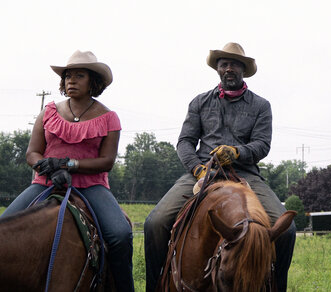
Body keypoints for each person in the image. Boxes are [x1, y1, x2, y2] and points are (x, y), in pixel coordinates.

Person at [143, 42, 296, 292]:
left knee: (286, 230)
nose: (229, 68)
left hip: (245, 173)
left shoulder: (261, 106)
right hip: (203, 171)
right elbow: (185, 142)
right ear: (217, 69)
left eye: (234, 64)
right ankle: (155, 285)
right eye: (224, 64)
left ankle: (276, 286)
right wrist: (197, 169)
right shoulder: (200, 102)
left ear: (243, 70)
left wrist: (237, 152)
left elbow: (262, 145)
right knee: (155, 222)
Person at [1, 50, 134, 291]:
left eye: (79, 75)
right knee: (4, 226)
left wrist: (68, 165)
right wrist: (47, 168)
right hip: (45, 182)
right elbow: (32, 152)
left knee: (120, 234)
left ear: (93, 81)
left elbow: (107, 161)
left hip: (91, 186)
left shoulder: (109, 118)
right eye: (68, 76)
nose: (71, 80)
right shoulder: (48, 112)